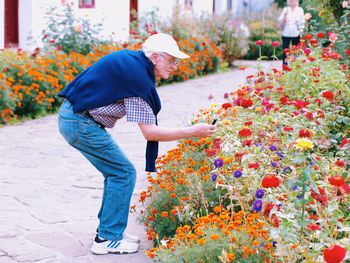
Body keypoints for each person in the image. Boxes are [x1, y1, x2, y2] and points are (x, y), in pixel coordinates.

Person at [57, 33, 215, 255]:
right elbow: (150, 133)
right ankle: (107, 238)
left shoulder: (133, 64)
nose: (175, 66)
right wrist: (193, 131)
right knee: (123, 173)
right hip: (79, 122)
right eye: (172, 60)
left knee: (116, 172)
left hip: (74, 117)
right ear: (155, 57)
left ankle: (109, 231)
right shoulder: (137, 79)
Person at [278, 0, 305, 65]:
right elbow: (280, 20)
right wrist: (285, 16)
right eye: (290, 0)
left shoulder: (300, 10)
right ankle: (285, 66)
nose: (292, 2)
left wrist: (301, 32)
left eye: (293, 0)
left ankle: (295, 66)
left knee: (296, 51)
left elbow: (302, 22)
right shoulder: (286, 9)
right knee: (285, 50)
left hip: (296, 33)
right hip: (286, 33)